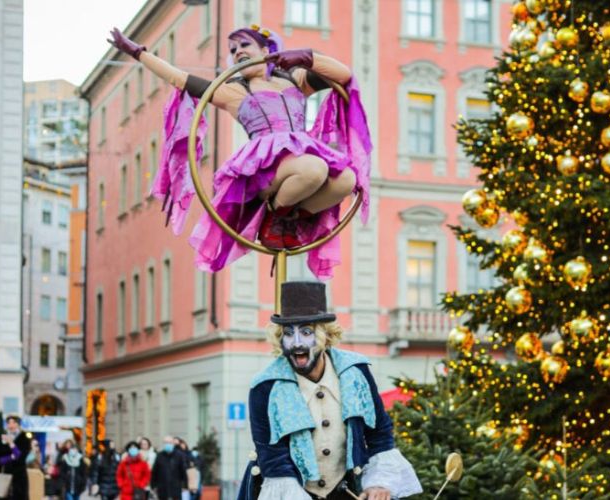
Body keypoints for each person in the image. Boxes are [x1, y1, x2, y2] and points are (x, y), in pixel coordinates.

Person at [107, 24, 371, 279]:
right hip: (266, 169)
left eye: (245, 45)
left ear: (267, 49)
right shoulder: (233, 91)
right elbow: (179, 78)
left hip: (302, 158)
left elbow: (344, 74)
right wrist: (138, 53)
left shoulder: (296, 79)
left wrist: (306, 56)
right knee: (315, 168)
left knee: (347, 179)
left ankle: (292, 218)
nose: (237, 52)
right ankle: (273, 215)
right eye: (233, 49)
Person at [238, 282, 422, 500]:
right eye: (288, 333)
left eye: (306, 332)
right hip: (289, 489)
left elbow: (379, 433)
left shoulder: (356, 372)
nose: (297, 343)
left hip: (347, 490)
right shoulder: (265, 387)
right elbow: (273, 456)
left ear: (325, 335)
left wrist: (378, 483)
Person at [0, 414, 31, 500]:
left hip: (19, 477)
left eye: (14, 422)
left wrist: (11, 443)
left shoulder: (24, 438)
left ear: (18, 424)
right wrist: (12, 457)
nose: (11, 425)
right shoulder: (2, 438)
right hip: (5, 475)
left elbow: (21, 457)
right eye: (9, 422)